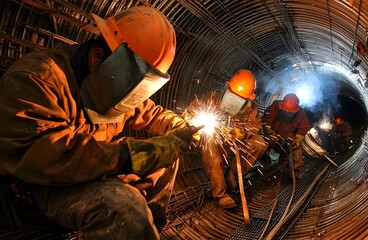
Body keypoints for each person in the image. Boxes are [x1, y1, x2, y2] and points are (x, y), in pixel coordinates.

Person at [0, 6, 202, 240]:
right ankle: (135, 226)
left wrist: (177, 125)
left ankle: (151, 228)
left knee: (169, 151)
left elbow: (149, 111)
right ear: (98, 58)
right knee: (125, 210)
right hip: (51, 183)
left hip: (100, 166)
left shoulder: (116, 84)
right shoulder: (35, 79)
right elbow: (52, 157)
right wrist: (130, 156)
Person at [184, 69, 268, 209]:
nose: (233, 100)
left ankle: (232, 174)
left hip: (236, 143)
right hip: (215, 142)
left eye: (239, 99)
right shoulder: (212, 98)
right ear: (226, 88)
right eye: (231, 95)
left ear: (247, 100)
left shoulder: (250, 109)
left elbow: (255, 127)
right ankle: (220, 193)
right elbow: (194, 109)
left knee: (260, 143)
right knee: (209, 141)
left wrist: (241, 133)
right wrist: (188, 117)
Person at [262, 93, 311, 178]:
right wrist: (268, 130)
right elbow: (267, 118)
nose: (287, 112)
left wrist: (298, 139)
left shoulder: (300, 112)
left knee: (296, 147)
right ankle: (265, 161)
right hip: (273, 134)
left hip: (287, 137)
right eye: (285, 110)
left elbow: (304, 127)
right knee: (261, 142)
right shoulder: (276, 105)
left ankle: (294, 171)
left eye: (290, 112)